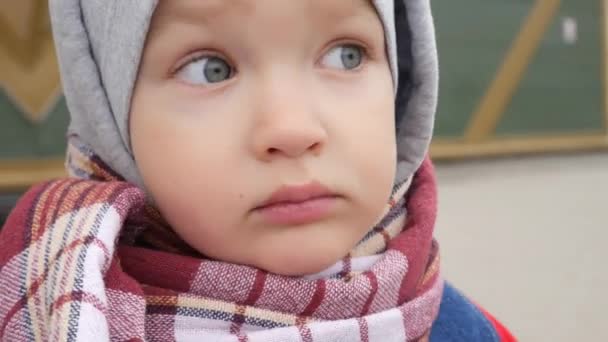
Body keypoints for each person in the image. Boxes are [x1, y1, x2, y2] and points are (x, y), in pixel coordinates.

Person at [0, 0, 515, 341]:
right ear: (109, 115)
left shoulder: (471, 331)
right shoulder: (43, 307)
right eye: (211, 68)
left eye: (347, 54)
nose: (291, 129)